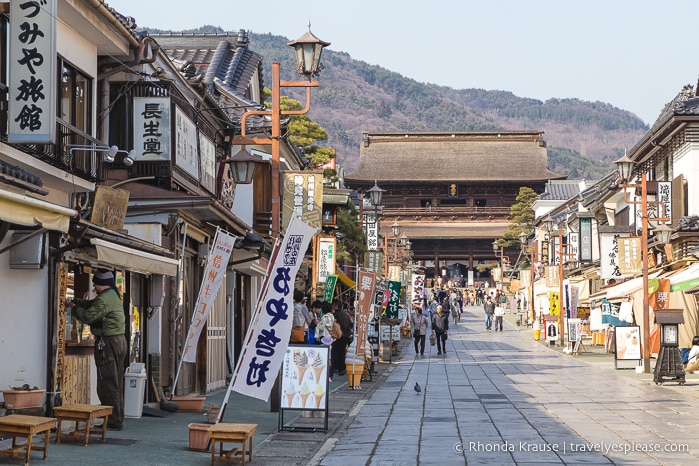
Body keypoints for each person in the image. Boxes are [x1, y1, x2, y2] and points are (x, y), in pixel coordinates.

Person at [68, 270, 127, 430]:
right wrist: (80, 302)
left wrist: (74, 307)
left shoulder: (104, 299)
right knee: (116, 382)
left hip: (108, 343)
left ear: (100, 284)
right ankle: (117, 417)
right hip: (119, 341)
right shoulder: (113, 295)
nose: (93, 286)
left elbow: (88, 317)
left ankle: (113, 420)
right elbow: (93, 304)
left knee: (107, 382)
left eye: (95, 283)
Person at [332, 300, 352, 376]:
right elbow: (350, 324)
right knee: (342, 352)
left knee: (336, 352)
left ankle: (336, 367)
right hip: (346, 335)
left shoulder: (335, 315)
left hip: (339, 335)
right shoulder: (346, 314)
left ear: (336, 306)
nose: (333, 307)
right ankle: (342, 368)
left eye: (334, 305)